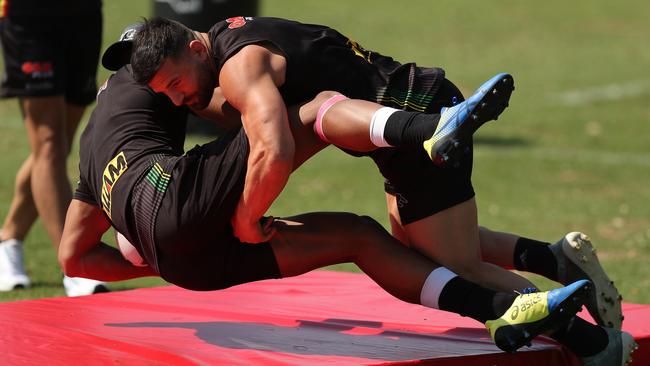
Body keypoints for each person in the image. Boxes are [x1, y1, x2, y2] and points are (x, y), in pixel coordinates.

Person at [59, 62, 612, 361]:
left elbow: (74, 257)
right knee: (312, 111)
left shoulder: (94, 152)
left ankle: (501, 308)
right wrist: (244, 217)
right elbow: (249, 123)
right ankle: (429, 127)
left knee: (359, 235)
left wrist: (159, 261)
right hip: (175, 200)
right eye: (171, 87)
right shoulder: (156, 78)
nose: (180, 97)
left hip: (187, 264)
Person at [129, 16, 624, 330]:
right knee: (411, 243)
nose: (177, 100)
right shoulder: (233, 38)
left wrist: (246, 218)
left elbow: (273, 151)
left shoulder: (237, 67)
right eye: (164, 94)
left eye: (176, 84)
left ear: (196, 50)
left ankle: (581, 335)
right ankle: (556, 260)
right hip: (412, 108)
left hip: (413, 118)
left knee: (452, 265)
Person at [0, 0, 108, 296]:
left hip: (83, 14)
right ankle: (74, 264)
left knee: (58, 146)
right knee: (49, 143)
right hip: (29, 17)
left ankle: (9, 239)